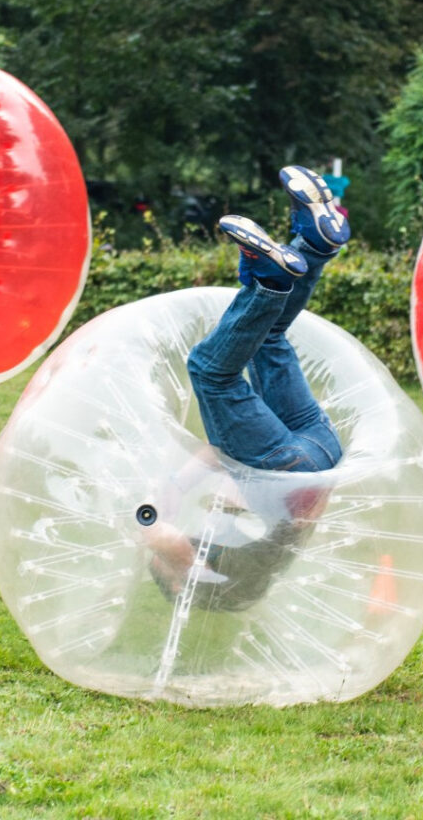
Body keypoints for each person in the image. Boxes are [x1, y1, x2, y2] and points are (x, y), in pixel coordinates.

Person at [144, 164, 350, 609]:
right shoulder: (205, 570)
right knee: (209, 371)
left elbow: (218, 454)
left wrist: (178, 485)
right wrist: (147, 519)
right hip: (284, 468)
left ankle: (313, 244)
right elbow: (157, 534)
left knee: (267, 340)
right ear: (184, 583)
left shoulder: (262, 552)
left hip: (318, 451)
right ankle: (270, 280)